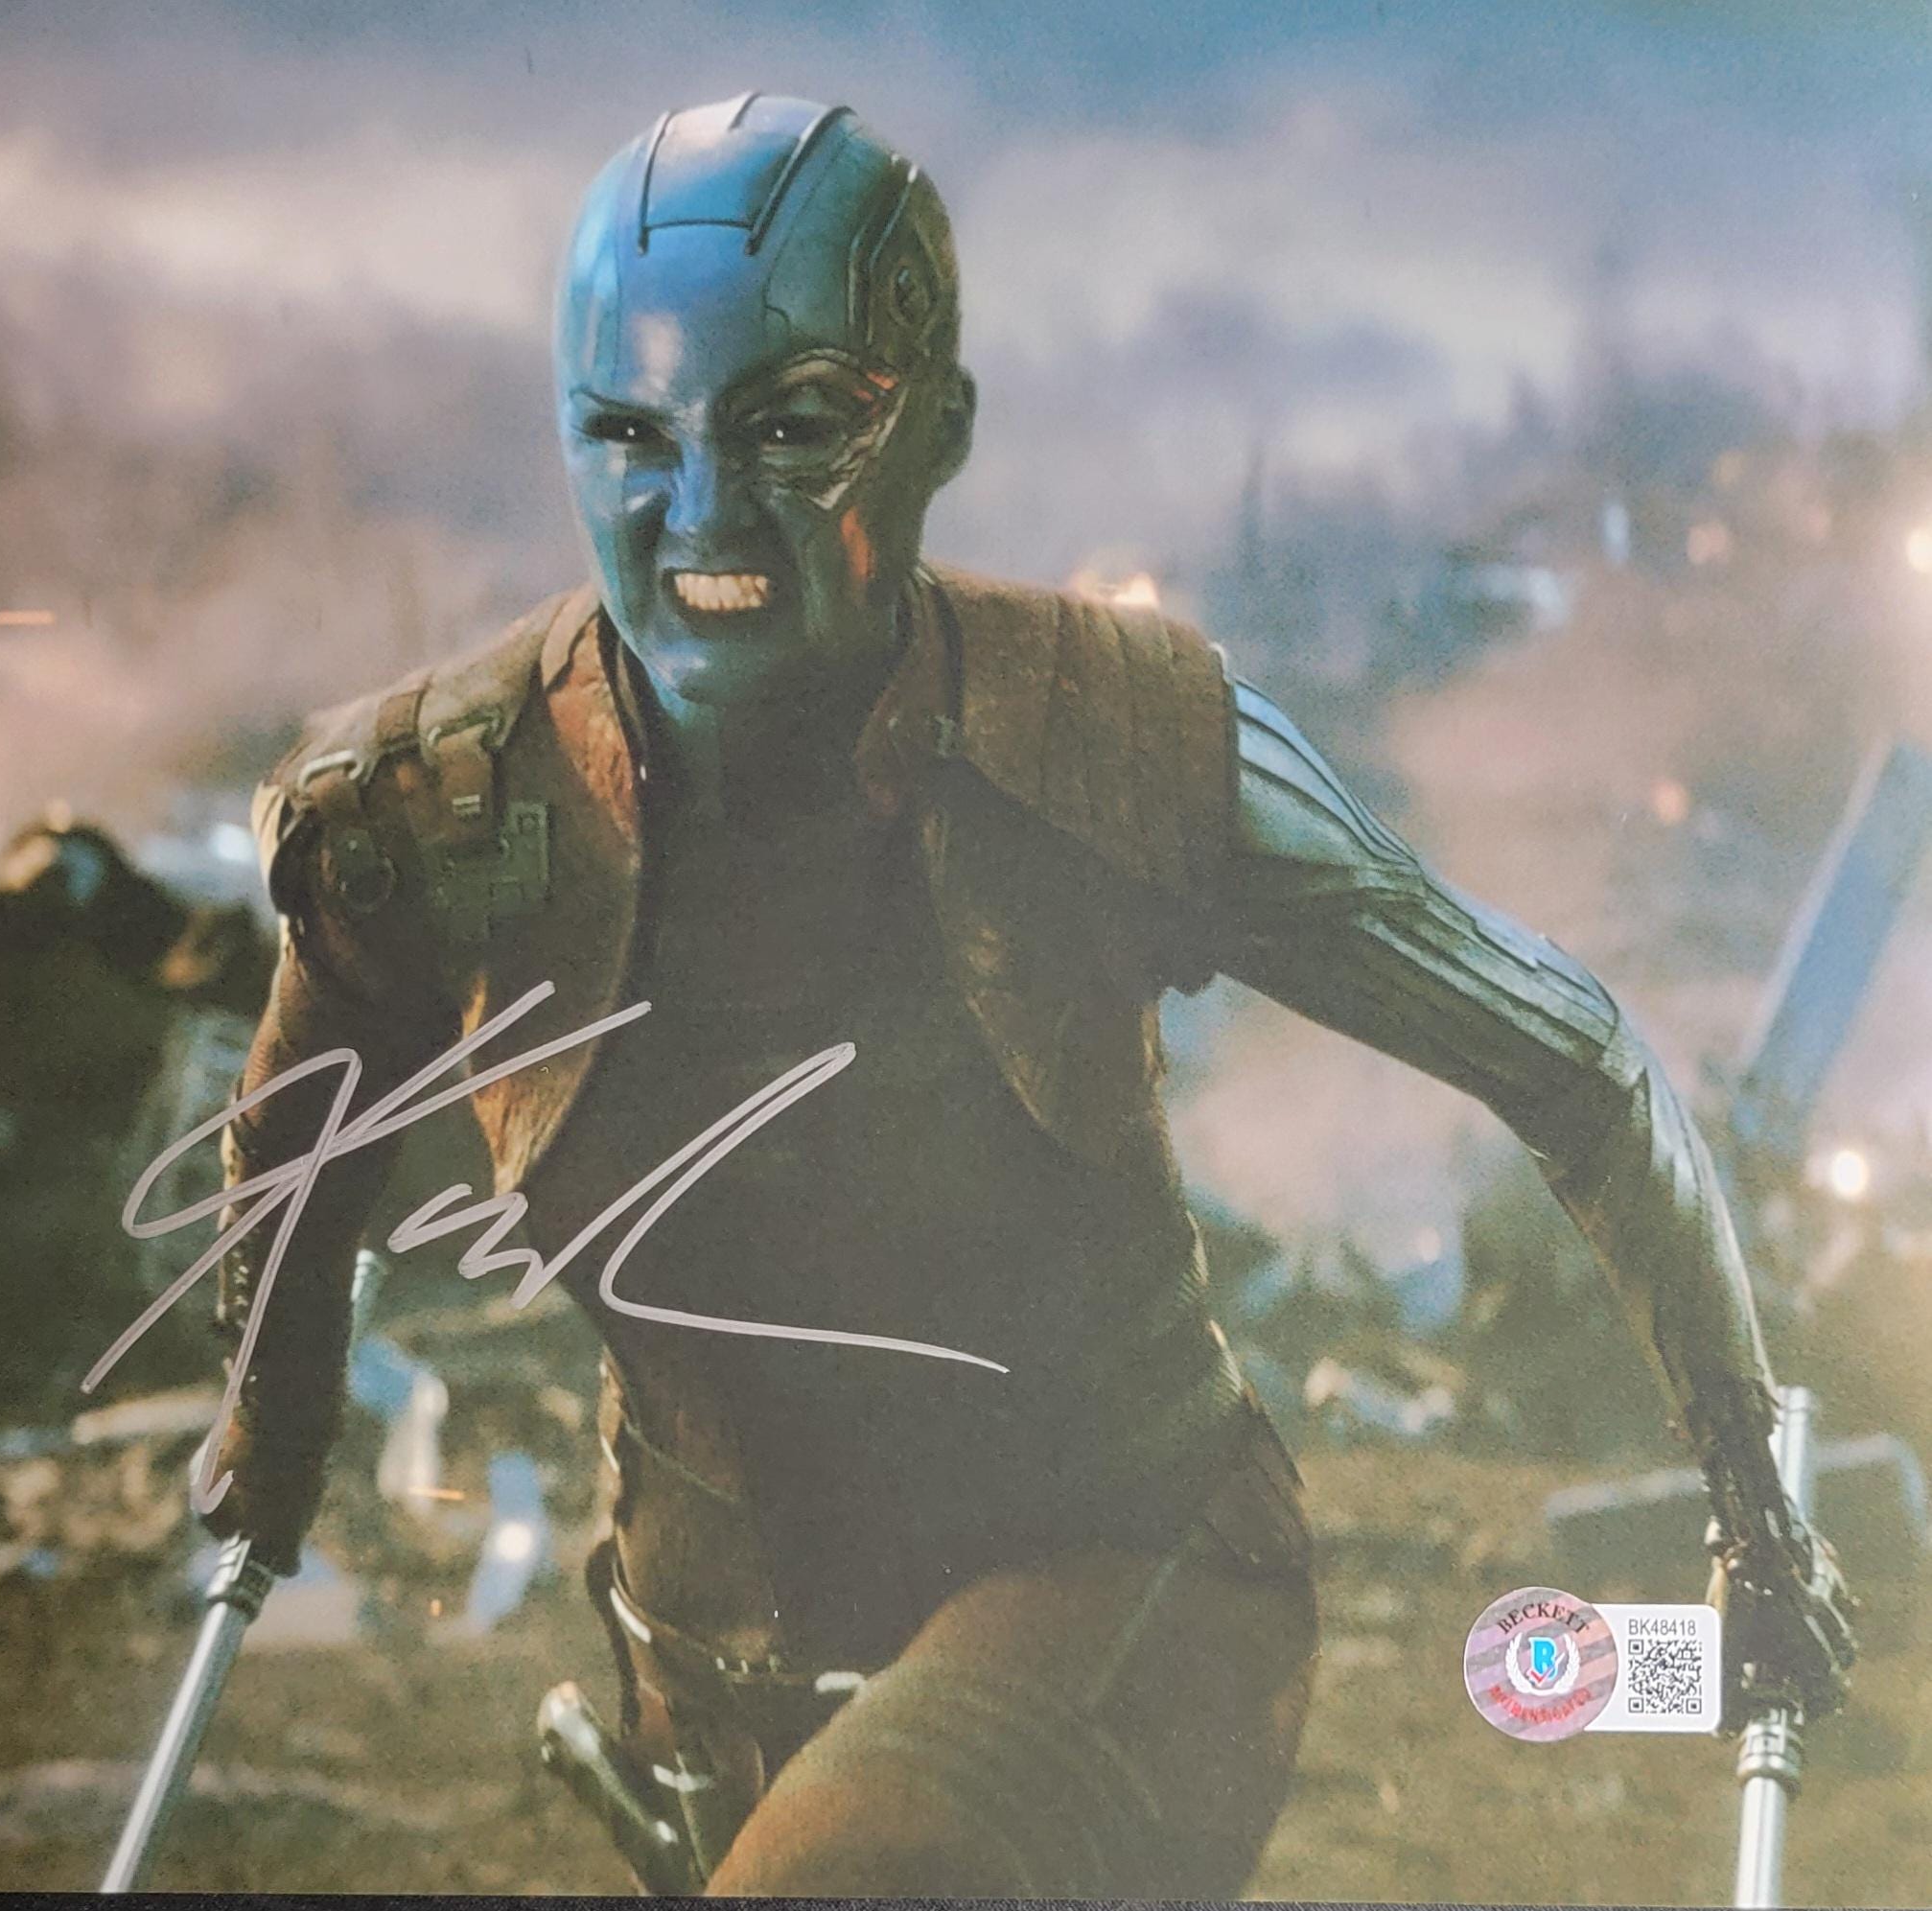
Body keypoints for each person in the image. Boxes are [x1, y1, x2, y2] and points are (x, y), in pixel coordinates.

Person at [198, 95, 1854, 1896]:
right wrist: (265, 1443)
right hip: (707, 1656)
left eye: (793, 426)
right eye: (629, 434)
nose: (702, 512)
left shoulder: (1119, 738)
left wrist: (1749, 1506)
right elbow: (294, 1150)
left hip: (1112, 1572)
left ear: (935, 432)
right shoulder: (432, 805)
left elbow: (1575, 1058)